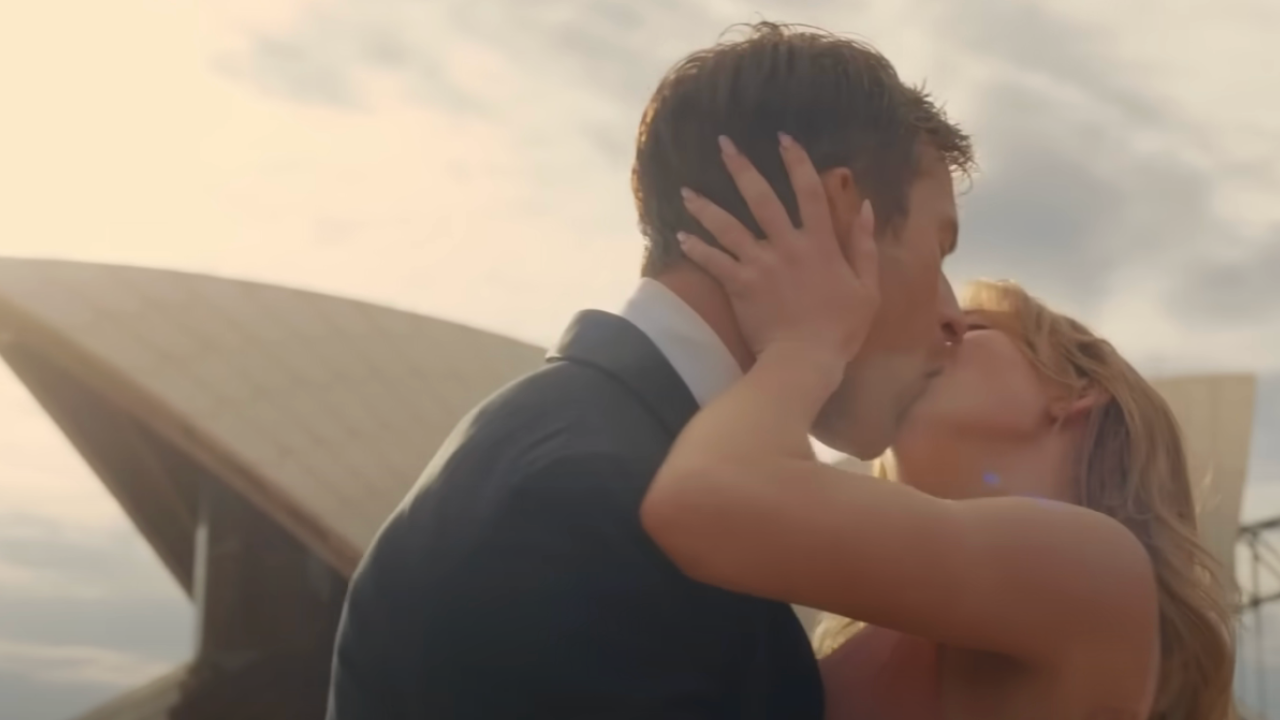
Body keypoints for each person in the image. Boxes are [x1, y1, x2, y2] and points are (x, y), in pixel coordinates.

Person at [327, 21, 972, 720]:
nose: (954, 315)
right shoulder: (584, 500)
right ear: (844, 215)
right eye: (939, 252)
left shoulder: (580, 448)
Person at [641, 138, 1238, 717]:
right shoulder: (888, 619)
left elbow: (698, 500)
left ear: (1074, 391)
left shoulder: (1099, 568)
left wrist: (804, 344)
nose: (940, 329)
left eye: (975, 327)